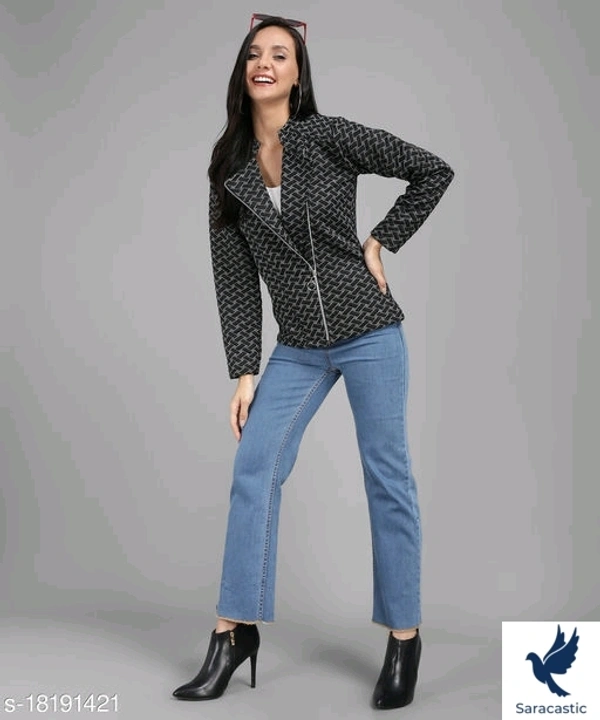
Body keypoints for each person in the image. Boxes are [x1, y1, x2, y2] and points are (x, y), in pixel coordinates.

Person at [172, 14, 454, 710]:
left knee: (388, 478)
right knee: (254, 467)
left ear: (298, 75)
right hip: (297, 346)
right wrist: (245, 372)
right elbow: (234, 276)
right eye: (255, 53)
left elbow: (431, 170)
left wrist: (381, 240)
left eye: (281, 53)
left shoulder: (326, 136)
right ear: (244, 69)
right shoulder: (228, 168)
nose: (265, 62)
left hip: (368, 330)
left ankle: (404, 639)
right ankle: (232, 633)